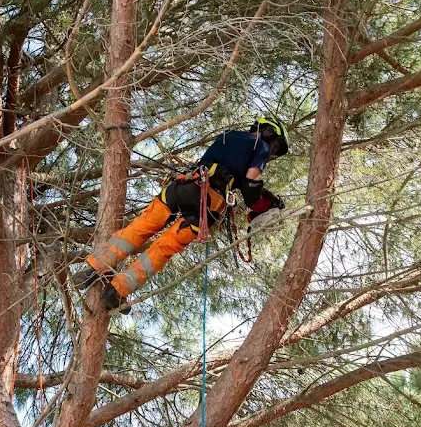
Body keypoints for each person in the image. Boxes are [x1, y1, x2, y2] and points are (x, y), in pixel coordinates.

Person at [75, 116, 289, 311]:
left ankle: (92, 268)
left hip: (183, 186)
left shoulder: (228, 135)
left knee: (142, 226)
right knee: (165, 247)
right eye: (275, 148)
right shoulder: (259, 146)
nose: (271, 153)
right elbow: (251, 183)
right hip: (207, 204)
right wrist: (266, 203)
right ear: (270, 134)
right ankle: (117, 291)